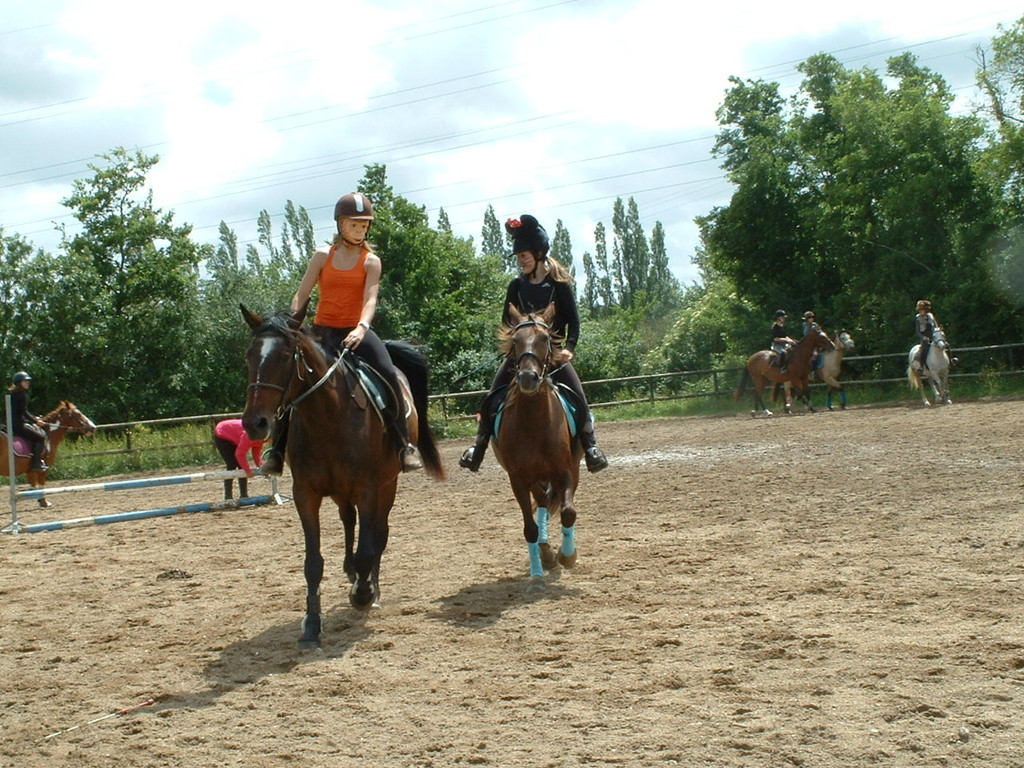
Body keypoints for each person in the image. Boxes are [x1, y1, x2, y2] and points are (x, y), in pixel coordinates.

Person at [260, 192, 423, 475]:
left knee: (388, 374)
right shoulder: (323, 256)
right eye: (354, 224)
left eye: (364, 225)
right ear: (340, 224)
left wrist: (362, 327)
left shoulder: (371, 261)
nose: (360, 230)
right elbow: (301, 295)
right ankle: (276, 449)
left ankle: (403, 444)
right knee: (291, 381)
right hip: (322, 332)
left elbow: (370, 299)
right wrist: (293, 323)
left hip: (356, 331)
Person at [459, 214, 608, 473]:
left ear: (539, 253)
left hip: (552, 356)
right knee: (491, 398)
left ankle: (591, 446)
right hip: (521, 356)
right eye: (519, 258)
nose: (521, 261)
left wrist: (568, 348)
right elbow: (507, 321)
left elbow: (574, 322)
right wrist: (514, 347)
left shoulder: (558, 286)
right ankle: (478, 448)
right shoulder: (515, 286)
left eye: (524, 256)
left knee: (580, 398)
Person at [214, 418, 264, 499]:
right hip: (222, 434)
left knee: (241, 466)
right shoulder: (250, 436)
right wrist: (248, 471)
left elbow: (256, 455)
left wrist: (262, 467)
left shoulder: (260, 439)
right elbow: (240, 454)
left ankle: (244, 495)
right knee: (232, 464)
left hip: (234, 435)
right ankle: (228, 496)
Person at [7, 371, 48, 471]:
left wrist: (34, 418)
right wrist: (37, 421)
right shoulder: (22, 395)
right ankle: (36, 463)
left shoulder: (13, 394)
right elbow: (24, 412)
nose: (27, 383)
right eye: (25, 381)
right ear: (19, 383)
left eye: (27, 381)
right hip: (19, 427)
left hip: (11, 425)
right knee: (41, 438)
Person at [913, 299, 956, 370]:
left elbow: (936, 326)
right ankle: (921, 366)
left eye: (921, 310)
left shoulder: (931, 316)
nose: (920, 312)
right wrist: (923, 337)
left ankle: (950, 361)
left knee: (947, 345)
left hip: (934, 336)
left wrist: (938, 331)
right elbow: (918, 331)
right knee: (924, 349)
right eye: (919, 310)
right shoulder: (918, 319)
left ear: (926, 310)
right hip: (925, 337)